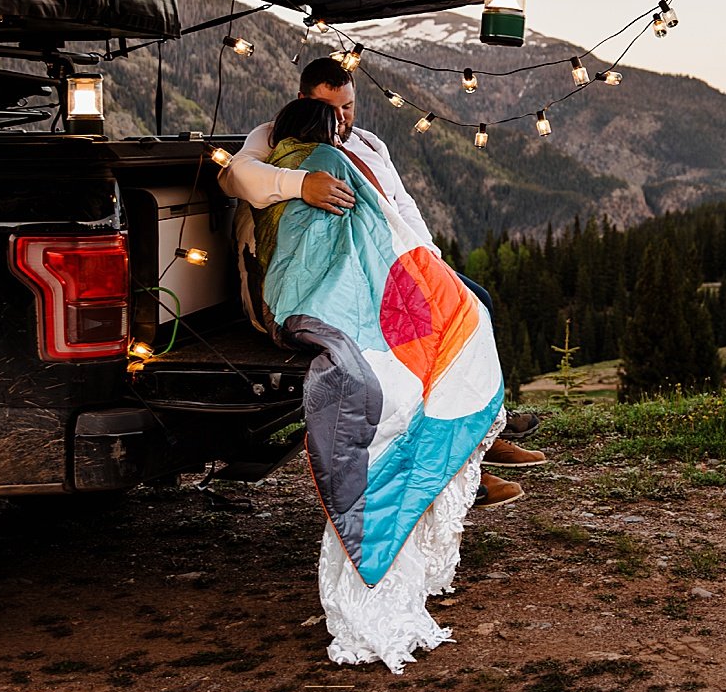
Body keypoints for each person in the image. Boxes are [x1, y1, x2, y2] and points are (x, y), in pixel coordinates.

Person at [247, 96, 503, 671]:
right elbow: (366, 237)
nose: (346, 121)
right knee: (449, 339)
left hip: (287, 298)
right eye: (338, 115)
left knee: (456, 317)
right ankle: (475, 445)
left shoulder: (291, 165)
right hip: (326, 293)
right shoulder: (323, 162)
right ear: (324, 122)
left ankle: (481, 451)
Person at [220, 58, 545, 496]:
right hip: (326, 276)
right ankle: (448, 462)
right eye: (330, 109)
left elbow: (402, 204)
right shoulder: (276, 134)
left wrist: (428, 259)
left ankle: (482, 434)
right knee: (417, 331)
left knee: (474, 300)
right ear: (303, 102)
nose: (341, 119)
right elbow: (235, 176)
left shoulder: (371, 143)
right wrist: (301, 184)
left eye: (348, 108)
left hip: (393, 260)